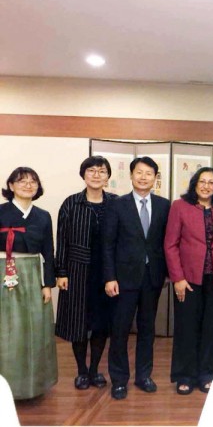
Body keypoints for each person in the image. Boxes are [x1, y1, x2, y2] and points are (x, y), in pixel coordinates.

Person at [103, 157, 170, 400]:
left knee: (147, 329)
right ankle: (119, 380)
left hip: (153, 278)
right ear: (131, 176)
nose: (143, 177)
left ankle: (144, 376)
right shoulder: (117, 205)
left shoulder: (164, 205)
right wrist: (110, 277)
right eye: (139, 172)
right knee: (120, 330)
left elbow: (167, 242)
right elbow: (107, 244)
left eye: (149, 173)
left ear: (155, 178)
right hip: (123, 279)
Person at [164, 167, 213, 395]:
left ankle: (209, 374)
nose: (206, 186)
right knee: (186, 327)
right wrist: (177, 278)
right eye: (202, 181)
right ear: (194, 183)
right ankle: (185, 375)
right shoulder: (179, 206)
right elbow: (170, 245)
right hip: (188, 279)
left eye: (211, 183)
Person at [55, 156, 118, 390]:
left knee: (101, 324)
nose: (96, 175)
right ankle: (82, 371)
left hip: (107, 274)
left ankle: (95, 370)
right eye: (91, 170)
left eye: (101, 171)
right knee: (78, 323)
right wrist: (61, 272)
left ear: (108, 176)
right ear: (83, 175)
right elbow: (61, 240)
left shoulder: (116, 203)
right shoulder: (71, 203)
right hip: (77, 272)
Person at [0, 167, 57, 399]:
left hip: (33, 273)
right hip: (4, 272)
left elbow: (48, 251)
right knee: (7, 329)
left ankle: (32, 385)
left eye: (33, 181)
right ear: (11, 186)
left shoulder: (43, 216)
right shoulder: (1, 211)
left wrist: (47, 284)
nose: (28, 185)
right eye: (22, 181)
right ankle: (6, 386)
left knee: (35, 329)